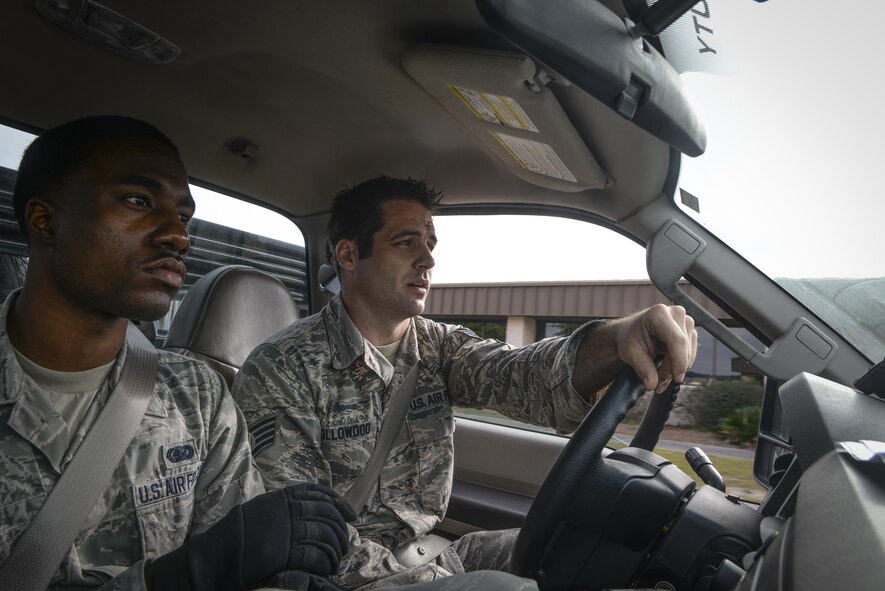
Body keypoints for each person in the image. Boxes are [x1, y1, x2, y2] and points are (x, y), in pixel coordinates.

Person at [232, 175, 698, 590]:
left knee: (593, 551)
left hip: (429, 551)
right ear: (349, 254)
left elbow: (529, 377)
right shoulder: (282, 369)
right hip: (347, 575)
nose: (428, 259)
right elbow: (302, 534)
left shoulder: (439, 347)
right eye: (405, 243)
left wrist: (620, 338)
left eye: (430, 242)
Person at [0, 116, 355, 590]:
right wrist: (175, 579)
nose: (178, 237)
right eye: (137, 200)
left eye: (183, 217)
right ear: (45, 220)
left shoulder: (196, 395)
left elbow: (246, 565)